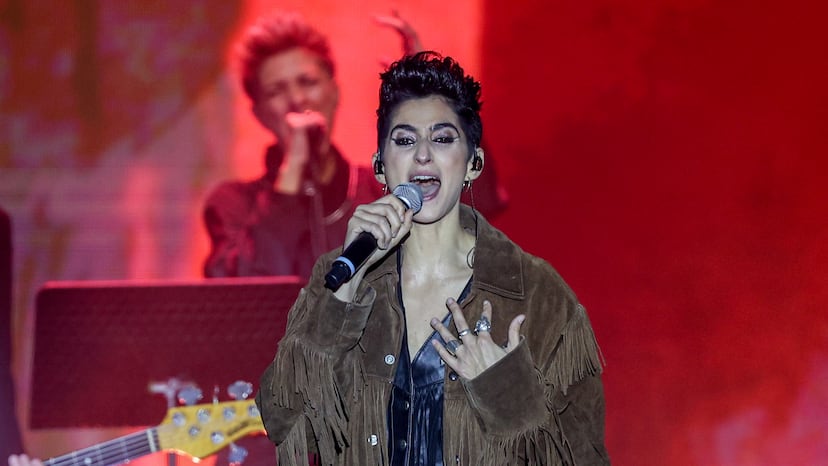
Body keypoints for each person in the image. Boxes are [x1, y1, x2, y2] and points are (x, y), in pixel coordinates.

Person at [255, 52, 609, 465]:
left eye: (442, 139)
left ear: (474, 164)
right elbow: (281, 421)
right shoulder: (342, 276)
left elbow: (583, 458)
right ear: (380, 167)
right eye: (405, 141)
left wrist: (506, 392)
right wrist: (345, 293)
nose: (423, 155)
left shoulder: (533, 292)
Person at [203, 12, 508, 280]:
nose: (296, 99)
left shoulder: (384, 189)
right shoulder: (234, 206)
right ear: (258, 113)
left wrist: (438, 99)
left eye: (308, 82)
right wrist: (291, 174)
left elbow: (476, 204)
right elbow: (242, 289)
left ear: (334, 91)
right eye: (276, 91)